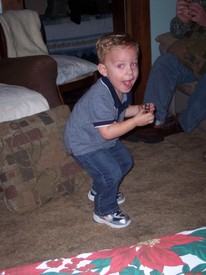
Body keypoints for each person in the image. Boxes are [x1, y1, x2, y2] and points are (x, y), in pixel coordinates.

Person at [64, 33, 155, 228]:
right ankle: (103, 210)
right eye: (120, 66)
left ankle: (99, 189)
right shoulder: (100, 96)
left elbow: (120, 112)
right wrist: (136, 122)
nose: (130, 72)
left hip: (101, 138)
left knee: (125, 161)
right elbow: (107, 132)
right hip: (84, 144)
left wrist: (138, 110)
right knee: (111, 172)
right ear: (103, 70)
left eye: (134, 64)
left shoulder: (121, 87)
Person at [134, 0, 206, 143]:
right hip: (192, 59)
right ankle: (153, 122)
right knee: (164, 62)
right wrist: (182, 21)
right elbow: (176, 33)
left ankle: (181, 123)